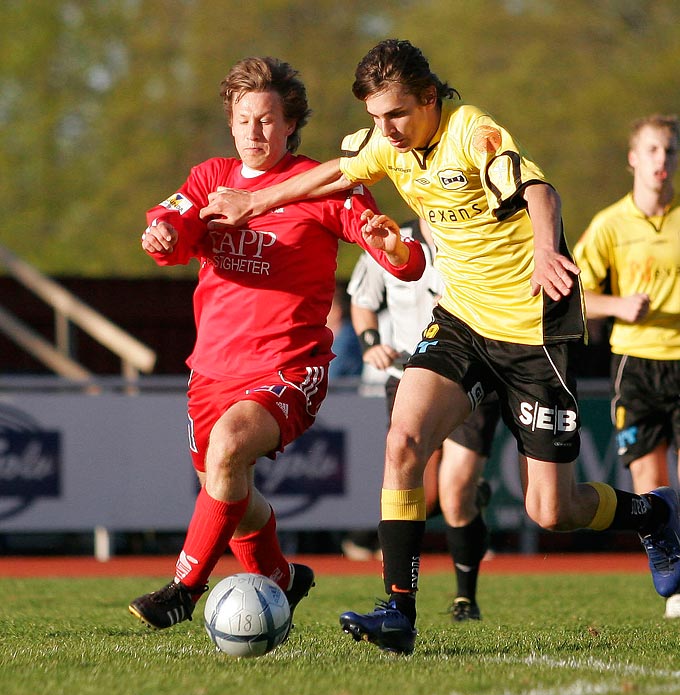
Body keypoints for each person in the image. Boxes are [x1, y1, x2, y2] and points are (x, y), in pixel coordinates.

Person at [199, 40, 680, 655]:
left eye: (396, 114)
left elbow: (540, 192)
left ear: (429, 98)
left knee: (552, 511)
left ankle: (656, 516)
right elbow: (336, 173)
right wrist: (256, 199)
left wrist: (544, 248)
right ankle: (398, 610)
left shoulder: (472, 131)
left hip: (534, 329)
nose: (385, 130)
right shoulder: (386, 142)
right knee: (403, 438)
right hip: (463, 320)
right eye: (374, 117)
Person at [128, 55, 425, 634]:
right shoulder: (210, 179)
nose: (254, 132)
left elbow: (399, 256)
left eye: (266, 120)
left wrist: (396, 251)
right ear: (231, 122)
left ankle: (184, 588)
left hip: (288, 367)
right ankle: (284, 582)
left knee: (231, 447)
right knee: (227, 485)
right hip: (211, 371)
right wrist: (161, 235)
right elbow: (173, 231)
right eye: (243, 119)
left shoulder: (319, 184)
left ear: (290, 124)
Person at [345, 217, 499, 621]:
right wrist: (370, 343)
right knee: (426, 495)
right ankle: (397, 604)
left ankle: (466, 597)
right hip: (406, 378)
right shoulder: (389, 238)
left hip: (470, 373)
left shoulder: (472, 238)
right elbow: (362, 299)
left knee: (455, 493)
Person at [573, 114, 680, 618]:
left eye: (671, 151)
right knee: (651, 481)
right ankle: (673, 576)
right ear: (634, 158)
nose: (663, 160)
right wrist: (616, 306)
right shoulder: (610, 224)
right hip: (636, 365)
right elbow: (569, 295)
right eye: (654, 150)